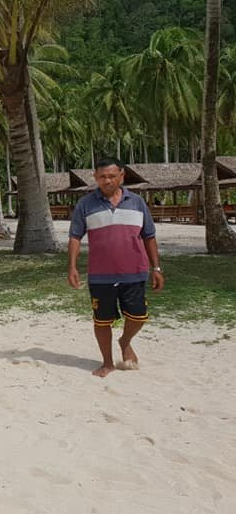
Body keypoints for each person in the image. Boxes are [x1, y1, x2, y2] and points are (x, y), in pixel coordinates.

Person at [67, 158, 164, 378]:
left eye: (112, 176)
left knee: (139, 316)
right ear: (95, 178)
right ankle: (107, 362)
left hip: (135, 272)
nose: (107, 181)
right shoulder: (85, 204)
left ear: (122, 176)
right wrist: (72, 267)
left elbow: (149, 236)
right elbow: (75, 237)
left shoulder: (137, 202)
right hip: (100, 276)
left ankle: (125, 341)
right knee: (102, 321)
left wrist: (156, 268)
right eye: (102, 177)